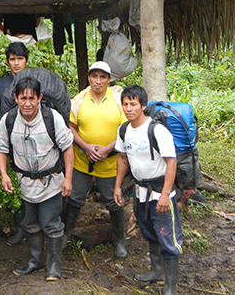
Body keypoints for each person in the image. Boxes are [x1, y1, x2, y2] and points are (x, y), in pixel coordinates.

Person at [0, 77, 74, 281]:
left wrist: (68, 179)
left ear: (39, 98)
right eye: (23, 98)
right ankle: (35, 260)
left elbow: (67, 147)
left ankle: (54, 266)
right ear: (16, 98)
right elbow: (1, 148)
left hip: (51, 182)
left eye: (31, 98)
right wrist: (4, 174)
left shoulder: (52, 118)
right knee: (29, 223)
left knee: (51, 223)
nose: (27, 103)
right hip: (24, 183)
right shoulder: (9, 120)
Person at [114, 85, 183, 295]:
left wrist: (164, 194)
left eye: (133, 104)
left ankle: (170, 286)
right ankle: (156, 271)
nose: (128, 108)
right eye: (125, 104)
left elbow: (171, 163)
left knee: (167, 236)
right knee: (149, 232)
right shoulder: (124, 130)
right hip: (140, 192)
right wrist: (117, 186)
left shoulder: (156, 130)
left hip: (159, 192)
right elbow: (122, 158)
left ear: (143, 106)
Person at [63, 61, 128, 258]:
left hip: (110, 162)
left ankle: (119, 240)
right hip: (83, 161)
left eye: (102, 77)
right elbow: (70, 126)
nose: (98, 81)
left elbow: (125, 129)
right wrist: (85, 146)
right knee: (74, 198)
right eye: (94, 76)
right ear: (89, 77)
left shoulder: (118, 99)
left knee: (114, 201)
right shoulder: (79, 99)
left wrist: (108, 149)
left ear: (109, 79)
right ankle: (65, 235)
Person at [0, 41, 29, 245]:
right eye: (12, 59)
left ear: (26, 60)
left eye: (20, 59)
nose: (16, 63)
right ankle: (20, 227)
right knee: (15, 182)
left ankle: (36, 225)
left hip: (36, 139)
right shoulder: (1, 85)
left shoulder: (37, 81)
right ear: (8, 62)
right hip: (10, 138)